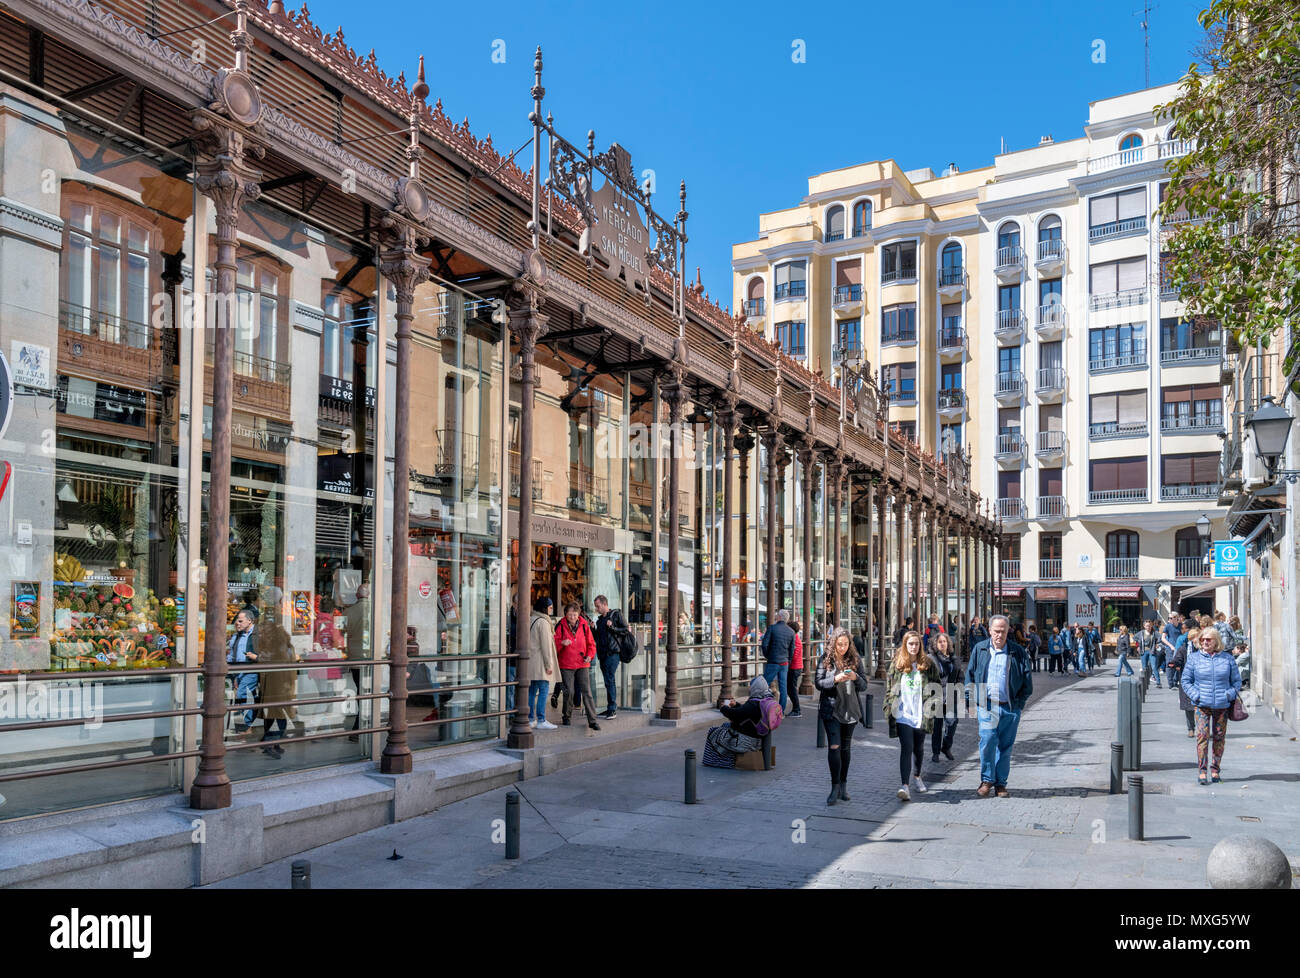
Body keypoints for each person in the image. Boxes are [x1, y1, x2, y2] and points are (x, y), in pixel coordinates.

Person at [964, 614, 1032, 798]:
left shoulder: (1017, 652)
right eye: (995, 631)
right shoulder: (980, 649)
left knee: (1005, 747)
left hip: (1009, 708)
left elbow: (1027, 682)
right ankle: (987, 780)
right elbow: (970, 676)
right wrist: (972, 700)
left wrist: (1018, 705)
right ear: (990, 630)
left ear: (1008, 630)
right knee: (987, 740)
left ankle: (1000, 783)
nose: (999, 635)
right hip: (986, 706)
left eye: (1002, 631)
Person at [1180, 625, 1242, 785]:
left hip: (1222, 706)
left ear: (1216, 641)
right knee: (1202, 737)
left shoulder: (1227, 659)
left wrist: (1229, 694)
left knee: (1219, 738)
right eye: (1202, 639)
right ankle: (1202, 771)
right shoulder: (1194, 658)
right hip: (1202, 705)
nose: (1205, 642)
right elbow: (1186, 680)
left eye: (1209, 639)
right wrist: (1196, 695)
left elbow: (1237, 681)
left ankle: (1215, 769)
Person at [886, 630, 940, 801]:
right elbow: (889, 689)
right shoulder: (897, 665)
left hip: (921, 713)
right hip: (903, 715)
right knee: (907, 748)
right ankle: (905, 786)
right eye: (910, 643)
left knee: (918, 748)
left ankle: (917, 776)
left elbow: (936, 687)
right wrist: (889, 708)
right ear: (905, 645)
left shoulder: (927, 664)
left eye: (916, 644)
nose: (914, 647)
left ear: (920, 645)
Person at [816, 627, 868, 805]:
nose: (842, 647)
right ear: (834, 643)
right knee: (834, 747)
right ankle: (834, 786)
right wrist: (835, 679)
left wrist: (855, 677)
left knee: (845, 748)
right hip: (831, 710)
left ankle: (843, 786)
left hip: (850, 709)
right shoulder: (826, 659)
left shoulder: (855, 659)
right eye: (839, 644)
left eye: (845, 644)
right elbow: (819, 683)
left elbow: (864, 685)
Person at [255, 591, 297, 757]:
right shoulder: (272, 621)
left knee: (274, 710)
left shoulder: (270, 621)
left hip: (277, 672)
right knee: (277, 710)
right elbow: (279, 645)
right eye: (281, 601)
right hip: (277, 673)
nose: (283, 604)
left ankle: (273, 741)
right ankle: (271, 742)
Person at [705, 676, 773, 768]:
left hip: (746, 742)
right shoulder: (765, 701)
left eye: (751, 686)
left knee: (713, 732)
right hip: (759, 740)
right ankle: (727, 758)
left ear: (755, 688)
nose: (749, 688)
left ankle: (722, 762)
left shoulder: (753, 703)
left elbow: (736, 715)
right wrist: (736, 704)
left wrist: (724, 708)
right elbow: (745, 712)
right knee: (725, 725)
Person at [554, 602, 600, 731]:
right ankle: (566, 716)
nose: (573, 617)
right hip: (566, 663)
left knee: (587, 692)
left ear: (578, 614)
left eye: (575, 614)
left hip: (582, 662)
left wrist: (589, 656)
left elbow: (591, 644)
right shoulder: (561, 626)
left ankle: (592, 720)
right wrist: (562, 643)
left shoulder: (585, 625)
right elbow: (554, 645)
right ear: (566, 614)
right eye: (570, 614)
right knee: (569, 691)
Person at [593, 594, 631, 720]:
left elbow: (626, 630)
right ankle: (610, 708)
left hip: (613, 653)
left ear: (604, 604)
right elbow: (598, 638)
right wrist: (593, 629)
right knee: (608, 681)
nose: (596, 609)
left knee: (609, 680)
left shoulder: (615, 615)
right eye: (596, 607)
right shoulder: (599, 620)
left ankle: (612, 709)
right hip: (603, 654)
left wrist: (612, 627)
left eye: (598, 606)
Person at [526, 596, 559, 730]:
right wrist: (549, 665)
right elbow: (546, 646)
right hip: (540, 662)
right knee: (544, 689)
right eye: (550, 607)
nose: (552, 609)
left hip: (531, 662)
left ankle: (529, 718)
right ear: (545, 608)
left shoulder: (531, 618)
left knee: (531, 691)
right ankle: (541, 719)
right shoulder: (544, 622)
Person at [342, 584, 370, 739]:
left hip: (355, 657)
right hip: (372, 657)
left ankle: (359, 726)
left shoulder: (348, 611)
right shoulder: (376, 610)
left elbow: (341, 633)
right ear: (369, 595)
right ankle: (361, 724)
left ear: (357, 595)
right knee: (366, 691)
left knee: (360, 689)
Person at [929, 630, 960, 763]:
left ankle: (946, 747)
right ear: (936, 644)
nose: (942, 644)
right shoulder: (931, 658)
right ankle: (935, 752)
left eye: (944, 641)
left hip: (951, 693)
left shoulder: (954, 659)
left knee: (952, 722)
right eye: (940, 642)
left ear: (948, 643)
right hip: (936, 693)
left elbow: (960, 675)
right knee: (937, 725)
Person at [226, 609, 260, 732]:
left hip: (252, 669)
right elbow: (231, 654)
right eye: (236, 621)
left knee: (241, 694)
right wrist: (232, 672)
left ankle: (247, 725)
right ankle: (249, 723)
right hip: (238, 670)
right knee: (245, 697)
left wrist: (256, 657)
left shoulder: (258, 633)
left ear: (249, 620)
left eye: (240, 621)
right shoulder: (236, 635)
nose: (237, 623)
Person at [760, 609, 796, 712]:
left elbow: (765, 644)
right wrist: (788, 661)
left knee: (764, 684)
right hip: (784, 663)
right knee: (783, 687)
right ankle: (781, 711)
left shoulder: (772, 628)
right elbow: (792, 649)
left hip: (773, 661)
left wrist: (768, 655)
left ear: (779, 617)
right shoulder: (791, 632)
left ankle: (760, 707)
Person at [1170, 629, 1198, 738]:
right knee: (1188, 707)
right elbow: (1178, 659)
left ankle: (1202, 728)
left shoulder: (1203, 650)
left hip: (1200, 681)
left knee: (1202, 706)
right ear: (1190, 639)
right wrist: (1173, 663)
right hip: (1187, 681)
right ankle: (1191, 728)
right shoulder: (1183, 649)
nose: (1196, 640)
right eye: (1194, 638)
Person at [786, 617, 804, 719]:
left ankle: (797, 710)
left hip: (794, 667)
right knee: (791, 689)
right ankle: (796, 709)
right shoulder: (795, 637)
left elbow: (794, 654)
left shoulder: (795, 639)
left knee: (791, 689)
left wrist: (787, 661)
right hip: (795, 667)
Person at [1135, 618, 1159, 688]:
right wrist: (1138, 646)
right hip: (1144, 651)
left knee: (1154, 666)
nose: (1148, 627)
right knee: (1144, 667)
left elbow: (1160, 639)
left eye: (1149, 625)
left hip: (1152, 651)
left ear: (1151, 626)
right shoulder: (1141, 633)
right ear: (1144, 626)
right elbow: (1135, 638)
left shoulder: (1154, 633)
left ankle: (1158, 682)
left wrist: (1157, 644)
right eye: (1147, 626)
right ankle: (1144, 683)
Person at [1169, 620, 1191, 687]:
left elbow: (1177, 650)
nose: (1180, 630)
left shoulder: (1181, 638)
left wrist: (1174, 660)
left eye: (1182, 628)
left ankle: (1174, 682)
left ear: (1186, 629)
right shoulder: (1192, 636)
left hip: (1181, 657)